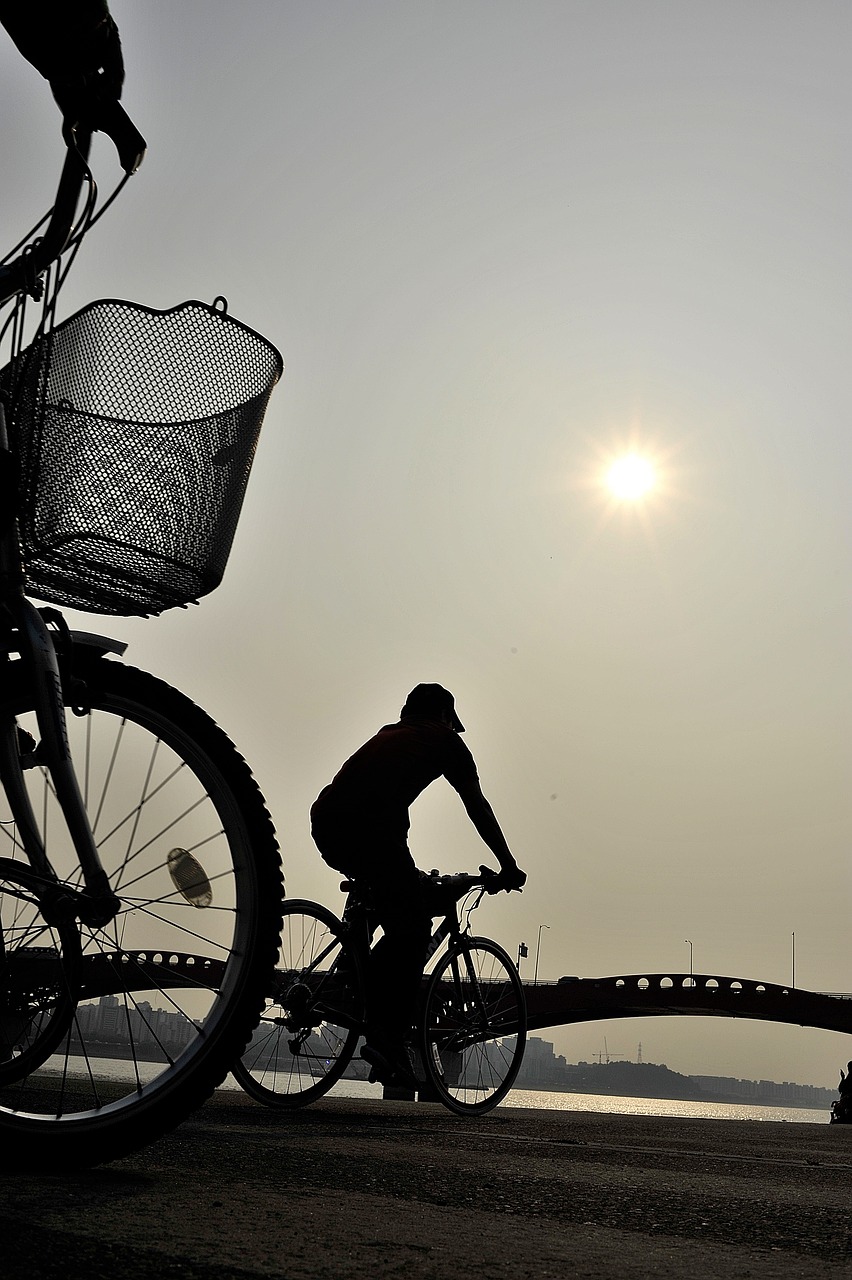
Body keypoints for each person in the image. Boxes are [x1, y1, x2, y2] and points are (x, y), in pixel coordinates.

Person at [310, 683, 526, 1087]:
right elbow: (476, 804)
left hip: (326, 824)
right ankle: (383, 1035)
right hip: (375, 833)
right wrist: (508, 865)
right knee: (412, 929)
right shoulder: (443, 740)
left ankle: (352, 975)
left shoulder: (389, 733)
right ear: (446, 717)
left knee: (389, 895)